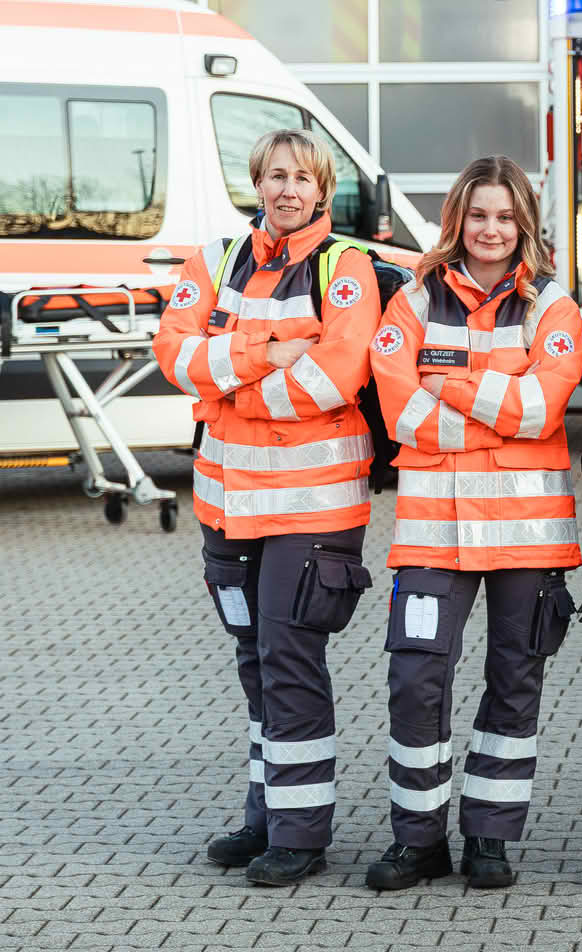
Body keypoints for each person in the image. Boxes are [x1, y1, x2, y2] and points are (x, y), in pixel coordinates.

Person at [152, 127, 383, 887]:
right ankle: (266, 815)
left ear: (323, 190)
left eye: (303, 178)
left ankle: (301, 833)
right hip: (228, 508)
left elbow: (335, 376)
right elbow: (175, 356)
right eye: (275, 176)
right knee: (255, 664)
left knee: (289, 660)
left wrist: (229, 389)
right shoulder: (215, 261)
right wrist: (263, 355)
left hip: (311, 512)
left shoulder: (344, 269)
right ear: (257, 182)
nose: (288, 189)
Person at [362, 156, 582, 891]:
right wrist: (494, 409)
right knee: (416, 681)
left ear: (525, 223)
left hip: (528, 535)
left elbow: (542, 411)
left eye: (505, 216)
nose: (492, 230)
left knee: (514, 681)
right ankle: (418, 840)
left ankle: (489, 835)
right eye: (478, 215)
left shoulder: (553, 307)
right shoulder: (416, 301)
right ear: (458, 219)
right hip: (434, 534)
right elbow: (401, 414)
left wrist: (448, 383)